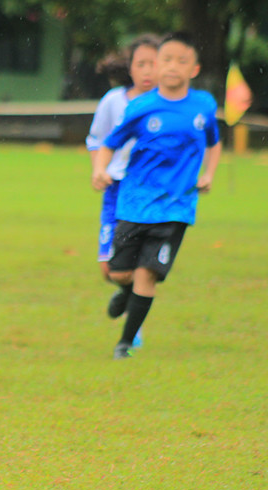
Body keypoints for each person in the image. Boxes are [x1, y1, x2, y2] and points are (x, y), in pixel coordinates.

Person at [91, 32, 221, 359]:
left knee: (148, 273)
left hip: (176, 207)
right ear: (157, 65)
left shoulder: (204, 105)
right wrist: (100, 169)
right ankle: (124, 291)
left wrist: (208, 174)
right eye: (167, 60)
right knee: (118, 271)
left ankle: (125, 343)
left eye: (181, 61)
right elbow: (109, 143)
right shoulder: (141, 106)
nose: (172, 66)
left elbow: (214, 142)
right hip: (134, 202)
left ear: (194, 68)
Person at [87, 35, 159, 350]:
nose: (148, 71)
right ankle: (128, 294)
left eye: (154, 64)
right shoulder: (114, 101)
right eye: (141, 63)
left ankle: (134, 321)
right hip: (116, 190)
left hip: (148, 195)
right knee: (110, 267)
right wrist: (98, 170)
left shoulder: (167, 106)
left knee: (142, 263)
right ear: (129, 67)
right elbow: (97, 140)